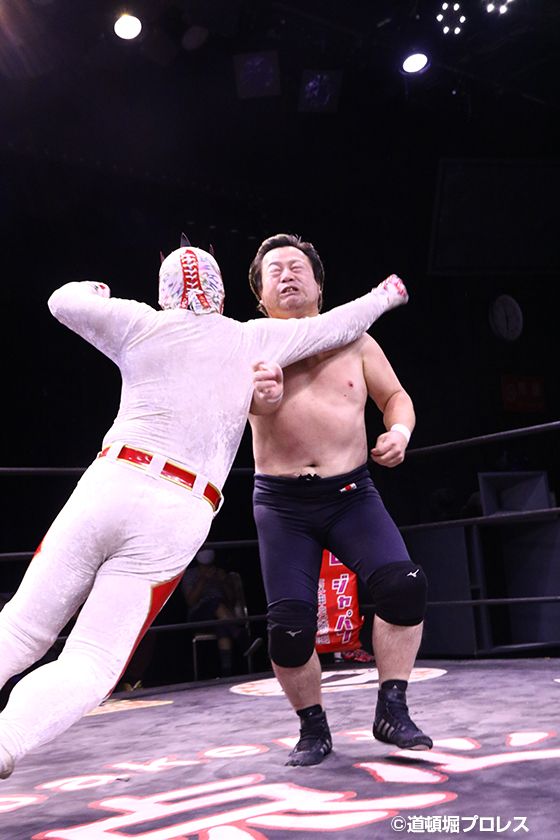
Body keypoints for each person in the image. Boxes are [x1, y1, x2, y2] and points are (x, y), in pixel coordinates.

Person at [0, 236, 408, 780]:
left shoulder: (139, 323)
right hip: (178, 506)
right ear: (224, 292)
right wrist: (384, 295)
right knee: (93, 659)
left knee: (21, 627)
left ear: (164, 291)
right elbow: (337, 325)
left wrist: (96, 290)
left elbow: (62, 301)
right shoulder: (249, 337)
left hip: (112, 479)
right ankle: (7, 740)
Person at [248, 233, 432, 767]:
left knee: (404, 585)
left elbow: (395, 397)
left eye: (297, 267)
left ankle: (392, 708)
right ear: (260, 295)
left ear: (319, 285)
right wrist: (255, 398)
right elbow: (225, 412)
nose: (287, 275)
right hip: (282, 504)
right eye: (275, 270)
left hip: (351, 494)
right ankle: (312, 728)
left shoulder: (357, 342)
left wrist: (399, 432)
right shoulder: (247, 345)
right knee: (289, 630)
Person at [182, 548, 259, 676]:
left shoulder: (220, 573)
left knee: (221, 625)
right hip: (199, 616)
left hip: (220, 616)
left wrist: (224, 581)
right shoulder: (190, 574)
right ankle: (241, 637)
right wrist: (203, 579)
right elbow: (191, 602)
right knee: (215, 602)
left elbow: (232, 601)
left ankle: (226, 673)